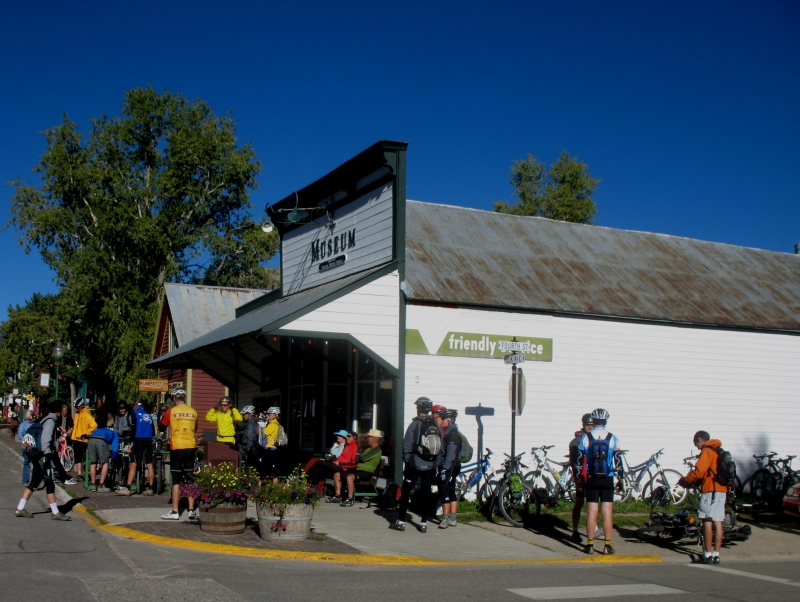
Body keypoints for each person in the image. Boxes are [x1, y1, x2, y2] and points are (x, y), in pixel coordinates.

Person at [392, 397, 443, 533]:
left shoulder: (414, 425)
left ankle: (401, 521)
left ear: (418, 409)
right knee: (427, 492)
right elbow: (440, 447)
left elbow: (407, 444)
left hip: (415, 463)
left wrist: (407, 461)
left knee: (406, 491)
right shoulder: (435, 424)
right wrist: (435, 463)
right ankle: (423, 523)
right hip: (431, 465)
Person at [14, 401, 71, 520]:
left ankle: (20, 508)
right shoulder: (50, 421)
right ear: (59, 411)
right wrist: (48, 454)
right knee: (49, 482)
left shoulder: (43, 419)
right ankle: (55, 512)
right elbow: (46, 439)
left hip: (36, 455)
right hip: (43, 456)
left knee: (34, 482)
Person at [679, 430, 727, 565]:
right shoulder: (719, 450)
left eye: (696, 443)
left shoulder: (707, 451)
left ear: (700, 440)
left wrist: (686, 480)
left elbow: (699, 471)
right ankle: (716, 555)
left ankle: (707, 554)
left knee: (706, 520)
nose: (696, 446)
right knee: (718, 522)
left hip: (710, 489)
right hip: (722, 489)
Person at [578, 408, 620, 555]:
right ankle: (607, 545)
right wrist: (620, 478)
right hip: (607, 477)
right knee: (607, 512)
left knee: (592, 511)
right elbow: (618, 460)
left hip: (592, 477)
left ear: (594, 421)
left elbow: (580, 460)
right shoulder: (613, 437)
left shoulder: (586, 437)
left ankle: (589, 545)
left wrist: (579, 477)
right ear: (605, 421)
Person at [160, 388, 198, 520]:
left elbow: (162, 426)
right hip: (190, 446)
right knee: (190, 479)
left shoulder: (171, 411)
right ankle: (191, 509)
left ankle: (175, 512)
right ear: (185, 398)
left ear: (175, 398)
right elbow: (196, 428)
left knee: (176, 480)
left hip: (176, 447)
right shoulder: (193, 411)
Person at [116, 400, 155, 496]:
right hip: (148, 440)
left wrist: (130, 443)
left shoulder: (133, 414)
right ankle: (150, 488)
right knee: (149, 464)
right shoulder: (148, 415)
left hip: (138, 439)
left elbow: (133, 428)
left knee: (133, 463)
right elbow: (153, 431)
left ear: (136, 406)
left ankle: (127, 487)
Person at [341, 429, 384, 507]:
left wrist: (362, 459)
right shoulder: (368, 449)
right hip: (359, 470)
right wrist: (361, 459)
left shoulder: (376, 450)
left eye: (369, 437)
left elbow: (362, 458)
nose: (367, 439)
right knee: (339, 474)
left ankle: (350, 499)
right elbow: (357, 458)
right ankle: (339, 495)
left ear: (374, 439)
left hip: (367, 473)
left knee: (350, 477)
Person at [569, 413, 594, 543]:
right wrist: (577, 479)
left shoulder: (596, 439)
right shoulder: (577, 441)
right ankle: (575, 530)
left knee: (592, 503)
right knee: (579, 502)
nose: (590, 427)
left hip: (592, 476)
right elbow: (574, 462)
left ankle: (593, 528)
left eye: (592, 425)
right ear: (583, 425)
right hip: (581, 476)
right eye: (587, 425)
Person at [437, 409, 462, 528]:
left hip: (449, 466)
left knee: (444, 490)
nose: (441, 421)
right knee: (451, 490)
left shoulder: (452, 435)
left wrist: (444, 468)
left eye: (443, 419)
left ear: (449, 420)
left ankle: (445, 519)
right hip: (454, 466)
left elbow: (451, 454)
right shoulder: (452, 432)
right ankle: (453, 518)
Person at [87, 415, 120, 492]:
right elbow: (115, 449)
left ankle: (93, 485)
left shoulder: (95, 430)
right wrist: (113, 458)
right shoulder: (113, 433)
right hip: (101, 440)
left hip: (91, 439)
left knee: (93, 462)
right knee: (105, 463)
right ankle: (101, 485)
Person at [71, 397, 97, 479]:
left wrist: (87, 433)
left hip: (82, 439)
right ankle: (80, 474)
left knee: (81, 457)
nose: (76, 409)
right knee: (77, 457)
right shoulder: (77, 414)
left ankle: (81, 474)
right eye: (76, 407)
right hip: (76, 438)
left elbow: (94, 425)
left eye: (77, 407)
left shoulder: (86, 414)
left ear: (82, 405)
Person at [328, 431, 358, 503]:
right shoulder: (347, 446)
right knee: (336, 474)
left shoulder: (355, 446)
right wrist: (336, 461)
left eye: (349, 436)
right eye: (347, 436)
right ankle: (338, 496)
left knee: (319, 463)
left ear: (354, 438)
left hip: (348, 469)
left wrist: (340, 463)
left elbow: (353, 462)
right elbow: (341, 457)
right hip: (342, 466)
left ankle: (350, 499)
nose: (347, 437)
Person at [261, 406, 282, 482]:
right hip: (270, 448)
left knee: (272, 470)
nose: (268, 416)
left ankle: (275, 489)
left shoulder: (273, 424)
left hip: (270, 448)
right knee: (270, 469)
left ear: (274, 415)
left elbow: (265, 432)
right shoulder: (272, 423)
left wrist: (262, 426)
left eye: (269, 414)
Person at [16, 410, 34, 485]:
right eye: (32, 415)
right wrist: (26, 440)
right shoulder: (23, 424)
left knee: (36, 463)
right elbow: (20, 435)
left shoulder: (35, 423)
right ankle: (25, 481)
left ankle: (35, 481)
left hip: (34, 446)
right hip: (26, 446)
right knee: (27, 463)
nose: (33, 416)